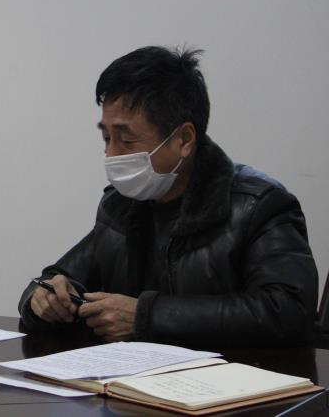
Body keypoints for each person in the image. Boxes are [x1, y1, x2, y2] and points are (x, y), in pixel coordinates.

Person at [18, 46, 318, 346]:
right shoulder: (120, 205)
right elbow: (59, 278)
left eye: (126, 140)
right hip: (132, 372)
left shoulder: (257, 205)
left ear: (184, 139)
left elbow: (288, 311)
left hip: (233, 374)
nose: (111, 154)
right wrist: (43, 298)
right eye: (106, 138)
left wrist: (147, 317)